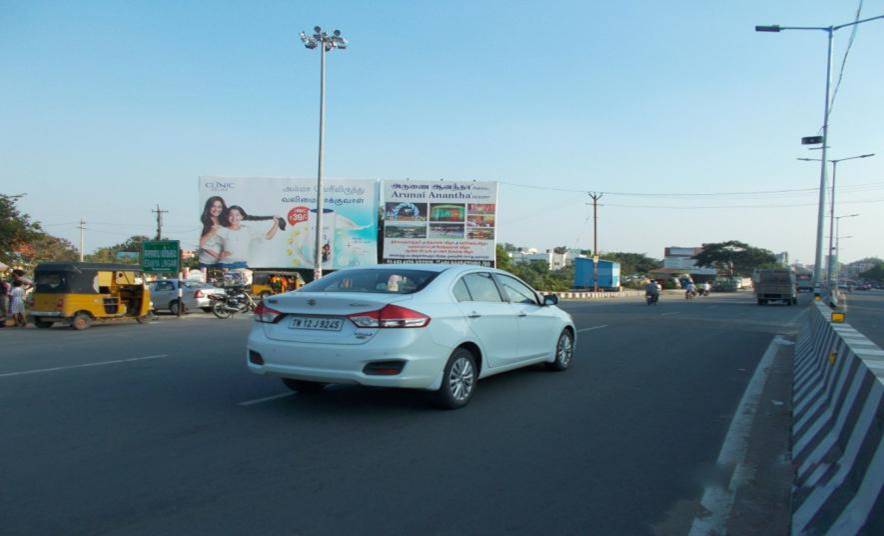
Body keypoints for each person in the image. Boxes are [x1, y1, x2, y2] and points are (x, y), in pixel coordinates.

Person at [215, 206, 284, 269]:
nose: (234, 217)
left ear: (242, 217)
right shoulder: (222, 230)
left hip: (241, 265)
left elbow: (268, 236)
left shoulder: (247, 230)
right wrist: (217, 255)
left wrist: (276, 223)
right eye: (231, 215)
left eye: (237, 215)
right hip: (224, 265)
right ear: (227, 216)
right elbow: (206, 244)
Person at [199, 196, 228, 271]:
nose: (216, 209)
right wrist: (211, 232)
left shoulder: (223, 221)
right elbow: (201, 244)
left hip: (221, 262)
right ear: (208, 207)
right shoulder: (203, 222)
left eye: (219, 207)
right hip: (206, 263)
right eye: (213, 206)